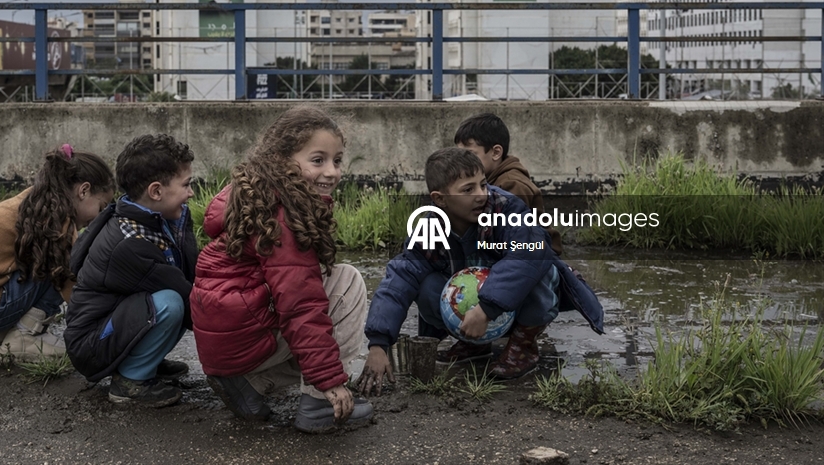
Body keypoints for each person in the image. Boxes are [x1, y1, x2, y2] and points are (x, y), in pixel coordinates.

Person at [190, 106, 373, 434]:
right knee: (345, 282)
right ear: (281, 161)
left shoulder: (253, 194)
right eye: (318, 160)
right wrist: (330, 382)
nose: (331, 171)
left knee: (314, 302)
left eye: (337, 160)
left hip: (228, 345)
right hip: (241, 341)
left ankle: (252, 384)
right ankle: (318, 403)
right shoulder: (282, 217)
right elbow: (300, 306)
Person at [358, 148, 602, 391]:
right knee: (426, 285)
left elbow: (531, 251)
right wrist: (379, 345)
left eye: (483, 184)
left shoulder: (506, 209)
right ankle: (473, 342)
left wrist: (486, 308)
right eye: (468, 189)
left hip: (511, 305)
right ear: (440, 198)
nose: (481, 195)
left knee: (541, 269)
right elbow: (398, 282)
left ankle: (523, 346)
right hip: (472, 303)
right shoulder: (429, 229)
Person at [0, 145, 115, 361]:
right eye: (101, 207)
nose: (97, 218)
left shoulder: (36, 203)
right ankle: (24, 337)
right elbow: (74, 291)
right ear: (84, 190)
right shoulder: (58, 222)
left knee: (42, 258)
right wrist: (104, 332)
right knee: (59, 265)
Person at [64, 134, 197, 407]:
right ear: (156, 191)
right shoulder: (129, 243)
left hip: (114, 326)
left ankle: (144, 360)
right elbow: (185, 293)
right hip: (91, 343)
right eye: (186, 185)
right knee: (171, 303)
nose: (191, 193)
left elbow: (191, 271)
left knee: (172, 300)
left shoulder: (165, 218)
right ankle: (131, 382)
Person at [454, 113, 563, 255]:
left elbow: (512, 238)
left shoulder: (511, 185)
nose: (462, 162)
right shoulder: (487, 179)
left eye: (470, 155)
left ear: (496, 152)